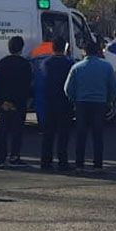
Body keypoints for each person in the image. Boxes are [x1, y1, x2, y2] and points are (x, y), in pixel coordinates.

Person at [65, 38, 116, 170]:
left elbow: (67, 89)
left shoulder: (76, 67)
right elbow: (114, 87)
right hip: (99, 103)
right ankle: (98, 165)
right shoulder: (106, 67)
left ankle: (79, 164)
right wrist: (108, 100)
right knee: (98, 135)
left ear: (84, 51)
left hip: (81, 103)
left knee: (81, 135)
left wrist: (74, 99)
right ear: (98, 51)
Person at [0, 36, 31, 168]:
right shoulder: (25, 64)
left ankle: (0, 159)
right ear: (21, 48)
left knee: (2, 132)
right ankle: (14, 157)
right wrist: (19, 102)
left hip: (3, 104)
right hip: (18, 104)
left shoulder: (1, 63)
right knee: (17, 132)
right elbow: (27, 86)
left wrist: (2, 101)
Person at [40, 37, 75, 170]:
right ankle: (62, 161)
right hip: (65, 102)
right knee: (63, 134)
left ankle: (46, 161)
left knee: (48, 134)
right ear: (65, 48)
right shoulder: (69, 63)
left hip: (49, 102)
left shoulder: (45, 63)